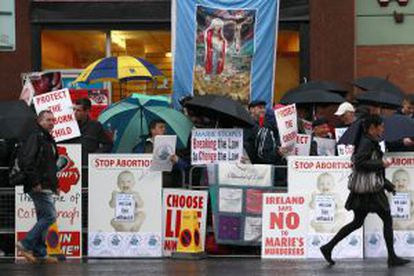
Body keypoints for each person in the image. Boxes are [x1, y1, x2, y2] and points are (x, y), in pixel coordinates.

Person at [320, 114, 410, 267]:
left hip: (367, 190)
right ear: (372, 128)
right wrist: (381, 163)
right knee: (386, 219)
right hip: (370, 191)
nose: (383, 129)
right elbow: (360, 163)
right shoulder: (367, 143)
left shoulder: (370, 142)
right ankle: (392, 257)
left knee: (357, 222)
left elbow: (370, 169)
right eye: (381, 126)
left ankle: (328, 247)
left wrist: (388, 185)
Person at [15, 110, 59, 264]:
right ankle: (25, 244)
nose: (51, 122)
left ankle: (40, 253)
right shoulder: (35, 136)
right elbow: (27, 161)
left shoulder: (47, 138)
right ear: (40, 121)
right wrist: (35, 183)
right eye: (48, 120)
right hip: (38, 185)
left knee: (43, 217)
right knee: (50, 216)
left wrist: (55, 185)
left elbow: (50, 165)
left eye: (53, 120)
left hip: (46, 184)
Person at [68, 98, 112, 165]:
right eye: (73, 109)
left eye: (78, 110)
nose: (74, 113)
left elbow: (108, 144)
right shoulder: (68, 126)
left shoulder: (95, 126)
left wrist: (95, 155)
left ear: (87, 111)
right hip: (71, 166)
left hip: (88, 166)